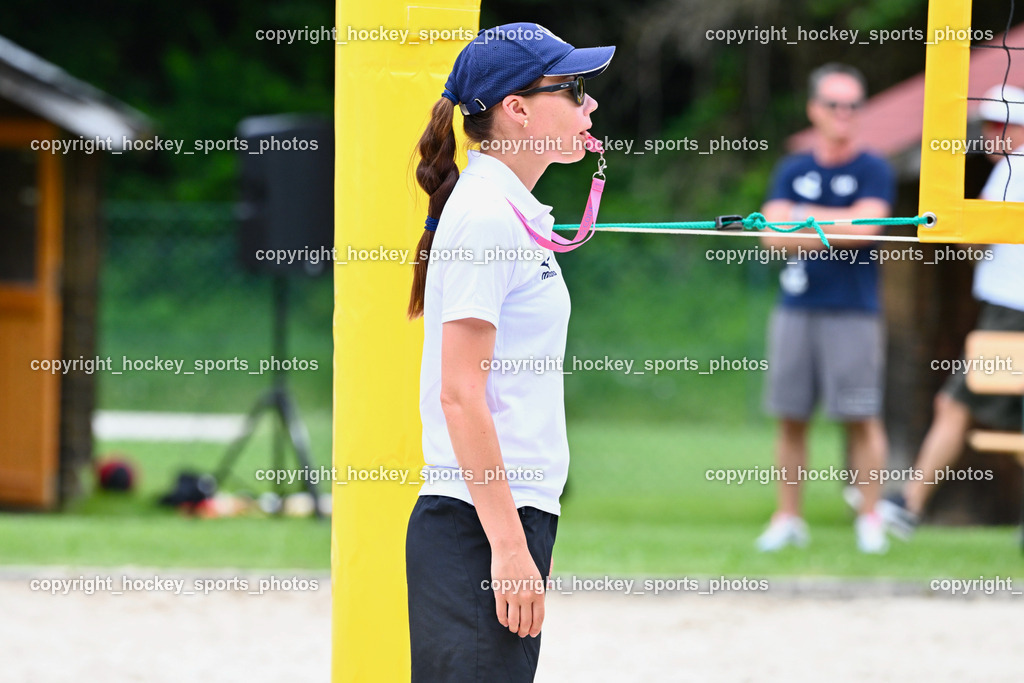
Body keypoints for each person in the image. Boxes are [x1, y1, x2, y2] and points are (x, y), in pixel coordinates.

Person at [404, 23, 614, 681]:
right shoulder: (487, 215)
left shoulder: (507, 208)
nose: (590, 103)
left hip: (501, 513)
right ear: (517, 109)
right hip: (476, 522)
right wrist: (508, 546)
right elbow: (459, 393)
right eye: (572, 88)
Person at [755, 63, 897, 554]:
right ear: (814, 109)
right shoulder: (793, 168)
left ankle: (870, 517)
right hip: (796, 308)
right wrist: (833, 225)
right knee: (790, 416)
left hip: (853, 311)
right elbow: (772, 236)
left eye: (853, 105)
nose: (844, 113)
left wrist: (802, 219)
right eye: (835, 104)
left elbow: (865, 230)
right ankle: (788, 518)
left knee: (861, 416)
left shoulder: (874, 168)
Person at [875, 84, 1024, 537]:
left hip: (1010, 314)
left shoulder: (1013, 169)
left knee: (953, 404)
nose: (993, 135)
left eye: (1003, 125)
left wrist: (945, 218)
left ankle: (909, 505)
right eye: (990, 126)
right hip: (1006, 310)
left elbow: (972, 239)